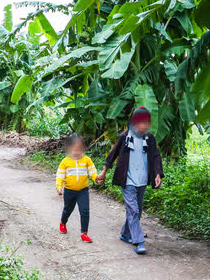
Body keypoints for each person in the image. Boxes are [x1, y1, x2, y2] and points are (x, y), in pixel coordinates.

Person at [96, 106, 164, 254]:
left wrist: (158, 174)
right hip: (127, 180)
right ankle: (138, 241)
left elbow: (156, 156)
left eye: (146, 123)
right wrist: (103, 172)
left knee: (137, 211)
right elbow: (112, 155)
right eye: (140, 122)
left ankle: (126, 234)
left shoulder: (150, 138)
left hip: (142, 180)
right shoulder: (125, 137)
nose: (143, 126)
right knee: (133, 210)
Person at [56, 133, 99, 243]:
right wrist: (59, 186)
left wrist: (96, 178)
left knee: (85, 211)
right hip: (69, 191)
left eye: (80, 149)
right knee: (68, 209)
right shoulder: (65, 162)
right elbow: (60, 175)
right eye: (75, 149)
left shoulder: (87, 160)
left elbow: (93, 171)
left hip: (83, 191)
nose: (77, 152)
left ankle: (84, 233)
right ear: (69, 148)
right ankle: (63, 222)